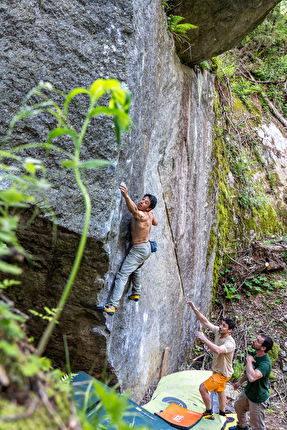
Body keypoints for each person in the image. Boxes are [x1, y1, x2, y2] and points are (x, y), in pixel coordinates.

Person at [103, 183, 158, 315]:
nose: (142, 202)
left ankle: (112, 305)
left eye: (146, 202)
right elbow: (156, 223)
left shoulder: (143, 215)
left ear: (149, 207)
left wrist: (126, 196)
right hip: (146, 248)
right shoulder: (150, 214)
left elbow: (133, 210)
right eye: (143, 199)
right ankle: (136, 293)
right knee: (136, 268)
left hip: (139, 249)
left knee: (122, 275)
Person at [187, 301, 236, 419]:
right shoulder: (219, 332)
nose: (220, 327)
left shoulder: (230, 343)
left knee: (202, 388)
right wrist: (194, 309)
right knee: (220, 391)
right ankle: (223, 413)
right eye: (221, 324)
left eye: (224, 326)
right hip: (219, 371)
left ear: (229, 330)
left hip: (222, 374)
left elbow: (218, 350)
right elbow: (205, 321)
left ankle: (209, 413)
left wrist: (204, 339)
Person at [230, 334, 273, 430]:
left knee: (256, 424)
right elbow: (249, 371)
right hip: (248, 391)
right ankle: (242, 427)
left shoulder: (265, 364)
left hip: (258, 398)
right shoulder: (255, 354)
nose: (254, 340)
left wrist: (249, 361)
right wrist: (240, 382)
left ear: (263, 348)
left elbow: (252, 377)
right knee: (238, 407)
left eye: (257, 341)